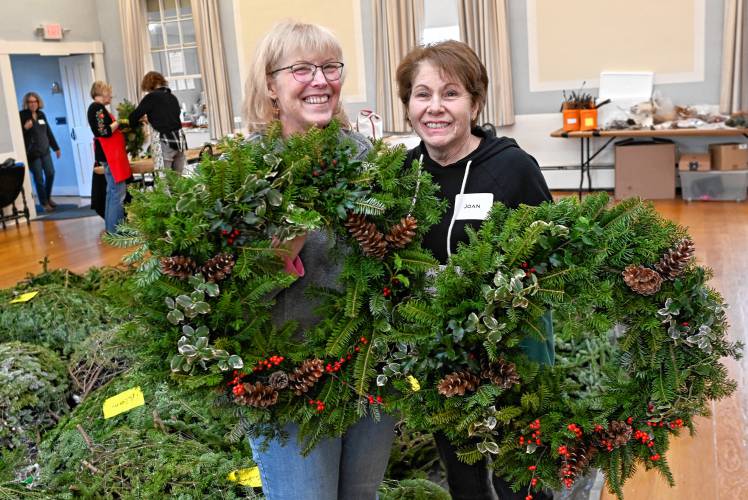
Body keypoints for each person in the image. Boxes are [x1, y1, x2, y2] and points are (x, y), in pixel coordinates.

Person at [241, 21, 395, 500]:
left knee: (361, 495)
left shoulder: (365, 158)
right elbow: (225, 290)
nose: (320, 81)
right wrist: (280, 248)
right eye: (302, 69)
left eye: (330, 67)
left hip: (369, 374)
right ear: (270, 84)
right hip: (288, 382)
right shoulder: (246, 171)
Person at [396, 40, 554, 500]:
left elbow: (553, 256)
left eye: (450, 94)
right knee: (461, 469)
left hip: (511, 351)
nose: (435, 108)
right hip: (442, 354)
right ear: (407, 105)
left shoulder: (510, 167)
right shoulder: (405, 176)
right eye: (422, 94)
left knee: (518, 473)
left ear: (475, 102)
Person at [87, 81, 130, 235]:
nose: (111, 95)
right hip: (109, 155)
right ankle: (115, 231)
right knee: (117, 193)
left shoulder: (99, 109)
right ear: (101, 93)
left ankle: (112, 229)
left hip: (109, 155)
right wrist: (119, 122)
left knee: (113, 192)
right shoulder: (97, 108)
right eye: (108, 92)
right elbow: (103, 131)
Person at [128, 71, 186, 174]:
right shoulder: (172, 97)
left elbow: (133, 117)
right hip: (180, 140)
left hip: (164, 140)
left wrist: (139, 122)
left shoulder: (151, 97)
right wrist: (150, 118)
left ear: (149, 85)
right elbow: (170, 116)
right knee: (178, 182)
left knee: (163, 181)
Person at [19, 91, 61, 212]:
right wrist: (24, 128)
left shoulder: (41, 115)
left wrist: (56, 148)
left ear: (38, 102)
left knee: (50, 173)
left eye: (35, 101)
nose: (33, 104)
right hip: (32, 153)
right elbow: (18, 135)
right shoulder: (22, 116)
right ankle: (44, 203)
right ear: (26, 103)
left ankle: (47, 197)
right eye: (30, 102)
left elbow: (48, 132)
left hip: (45, 150)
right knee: (39, 178)